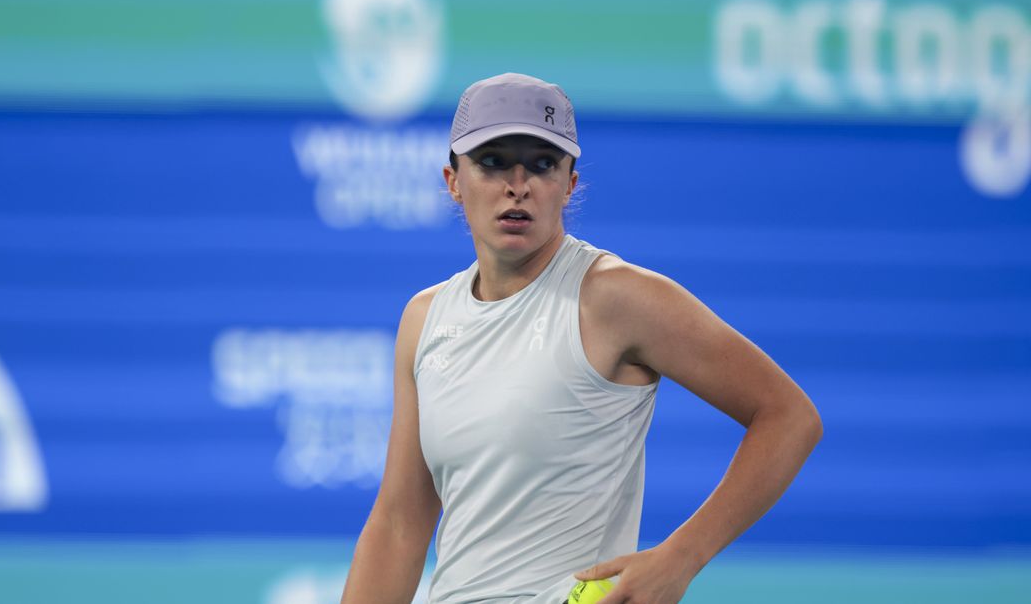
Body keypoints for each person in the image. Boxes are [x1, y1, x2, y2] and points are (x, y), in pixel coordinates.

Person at [341, 73, 823, 604]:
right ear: (453, 180)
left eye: (543, 164)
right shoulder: (425, 318)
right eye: (493, 161)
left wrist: (681, 557)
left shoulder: (615, 298)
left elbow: (788, 417)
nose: (517, 184)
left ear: (570, 183)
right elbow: (399, 523)